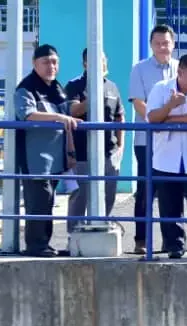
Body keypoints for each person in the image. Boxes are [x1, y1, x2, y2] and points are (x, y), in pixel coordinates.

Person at [146, 54, 187, 261]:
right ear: (180, 72)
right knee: (168, 206)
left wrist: (166, 119)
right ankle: (175, 246)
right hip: (166, 158)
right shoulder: (160, 88)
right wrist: (170, 106)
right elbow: (151, 118)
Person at [15, 44, 77, 257]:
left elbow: (67, 121)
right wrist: (58, 118)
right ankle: (35, 246)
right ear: (34, 63)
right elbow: (28, 114)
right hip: (35, 158)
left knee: (48, 202)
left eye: (54, 62)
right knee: (38, 202)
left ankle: (45, 244)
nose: (51, 66)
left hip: (55, 158)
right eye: (45, 62)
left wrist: (70, 152)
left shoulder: (57, 88)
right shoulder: (27, 87)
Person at [129, 24, 180, 255]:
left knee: (171, 191)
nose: (162, 47)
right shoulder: (139, 69)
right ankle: (141, 238)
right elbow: (139, 103)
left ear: (173, 44)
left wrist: (164, 116)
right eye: (158, 43)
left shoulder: (182, 68)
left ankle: (171, 240)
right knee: (145, 189)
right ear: (151, 45)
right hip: (146, 139)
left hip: (175, 141)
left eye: (166, 42)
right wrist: (159, 117)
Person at [65, 49, 124, 235]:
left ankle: (100, 228)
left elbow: (120, 116)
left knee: (108, 194)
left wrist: (121, 147)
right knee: (80, 196)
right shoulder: (74, 86)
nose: (102, 64)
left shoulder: (113, 87)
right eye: (96, 61)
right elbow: (73, 111)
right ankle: (74, 237)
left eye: (103, 60)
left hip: (109, 152)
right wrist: (93, 97)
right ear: (85, 64)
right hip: (82, 152)